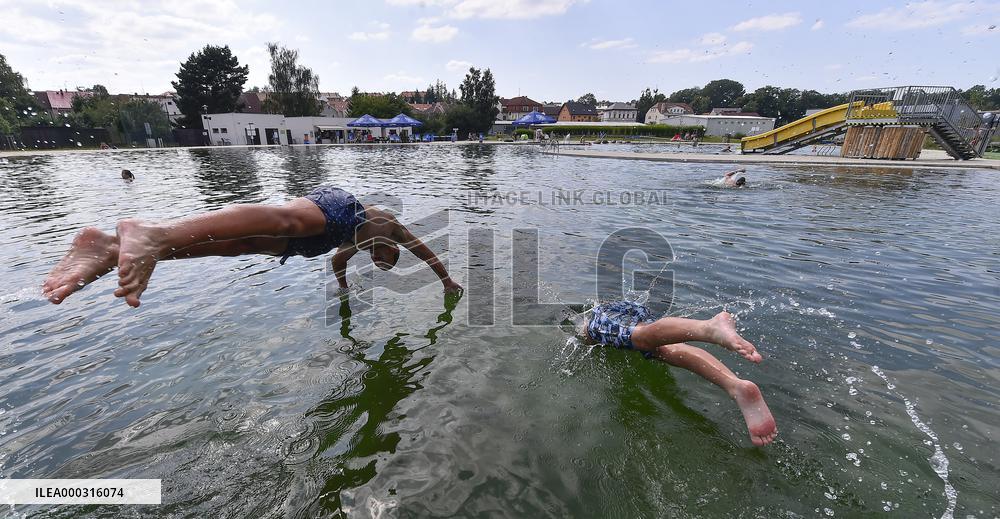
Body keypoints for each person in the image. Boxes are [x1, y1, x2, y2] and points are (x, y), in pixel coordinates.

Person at [42, 186, 463, 308]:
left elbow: (338, 260)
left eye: (379, 261)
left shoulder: (355, 250)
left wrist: (345, 290)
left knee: (236, 245)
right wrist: (447, 281)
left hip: (315, 244)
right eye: (382, 259)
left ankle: (110, 249)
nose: (378, 259)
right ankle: (153, 231)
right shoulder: (392, 229)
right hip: (338, 210)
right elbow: (427, 253)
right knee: (285, 217)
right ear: (393, 251)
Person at [583, 301, 778, 446]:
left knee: (638, 338)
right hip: (629, 311)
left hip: (603, 314)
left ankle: (709, 328)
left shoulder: (593, 323)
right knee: (664, 349)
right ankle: (735, 386)